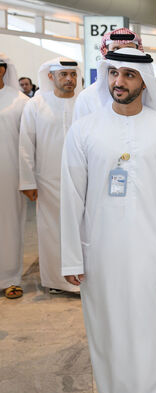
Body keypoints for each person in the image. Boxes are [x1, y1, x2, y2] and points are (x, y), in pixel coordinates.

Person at [60, 48, 156, 393]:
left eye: (128, 75)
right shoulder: (84, 129)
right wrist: (72, 258)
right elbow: (71, 197)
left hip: (151, 248)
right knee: (108, 332)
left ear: (144, 82)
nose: (118, 82)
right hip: (100, 251)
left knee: (152, 330)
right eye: (113, 73)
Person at [19, 58, 82, 294]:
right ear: (51, 77)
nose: (69, 79)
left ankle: (83, 279)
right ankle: (57, 281)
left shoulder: (84, 103)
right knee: (52, 231)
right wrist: (28, 180)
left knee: (81, 228)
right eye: (64, 74)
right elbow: (26, 144)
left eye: (73, 74)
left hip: (82, 178)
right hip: (48, 181)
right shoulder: (36, 105)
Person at [73, 28, 156, 124]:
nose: (122, 55)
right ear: (105, 52)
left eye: (129, 49)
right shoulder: (87, 97)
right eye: (116, 49)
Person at [0, 54, 29, 299]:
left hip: (8, 173)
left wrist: (28, 178)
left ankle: (10, 278)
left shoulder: (19, 101)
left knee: (9, 225)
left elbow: (27, 143)